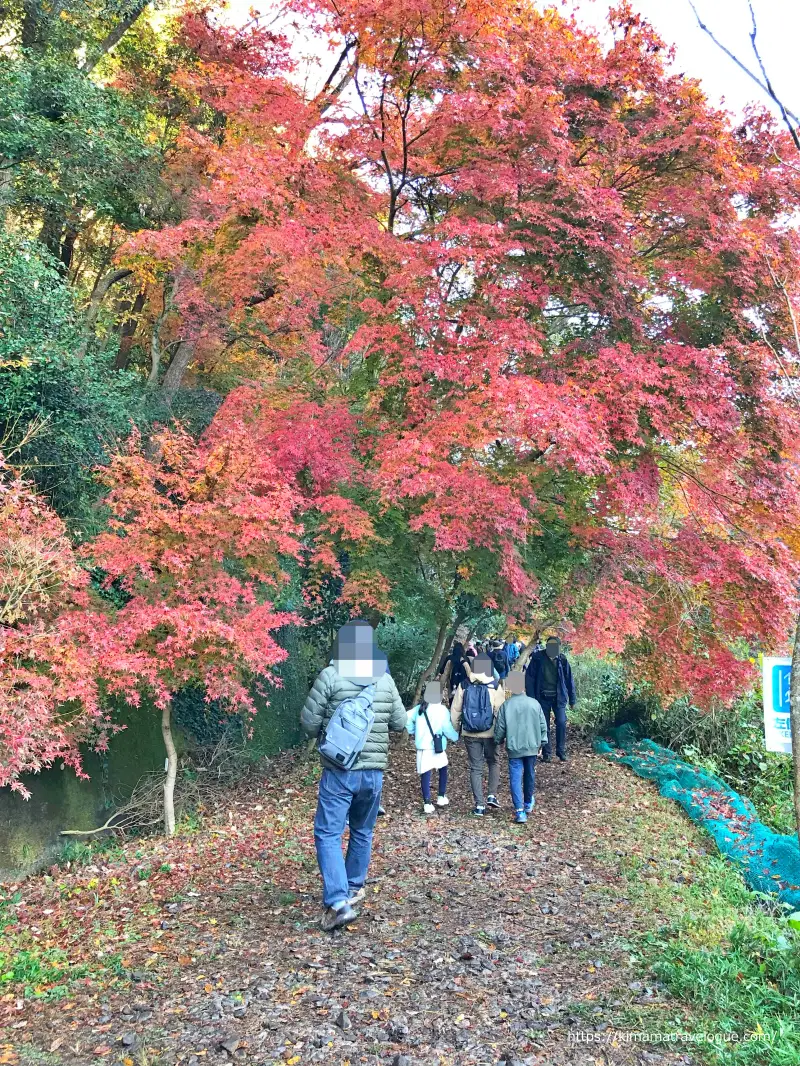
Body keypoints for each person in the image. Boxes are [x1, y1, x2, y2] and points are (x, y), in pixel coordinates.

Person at [301, 620, 406, 931]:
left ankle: (337, 900)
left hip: (339, 771)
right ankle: (352, 888)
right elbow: (400, 723)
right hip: (373, 774)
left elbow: (308, 723)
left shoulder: (331, 676)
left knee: (328, 833)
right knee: (362, 830)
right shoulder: (385, 681)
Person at [450, 653, 506, 816]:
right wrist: (501, 733)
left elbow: (455, 710)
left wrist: (455, 730)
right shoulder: (495, 685)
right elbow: (499, 711)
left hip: (470, 731)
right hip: (490, 732)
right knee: (493, 762)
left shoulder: (464, 685)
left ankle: (479, 805)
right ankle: (491, 795)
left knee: (476, 767)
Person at [494, 672, 548, 823]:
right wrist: (542, 743)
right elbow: (543, 726)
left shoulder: (506, 706)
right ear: (523, 686)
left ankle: (519, 811)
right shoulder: (534, 704)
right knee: (530, 774)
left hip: (514, 747)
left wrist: (498, 740)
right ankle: (528, 803)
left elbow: (500, 727)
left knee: (515, 778)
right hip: (532, 746)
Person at [407, 681, 459, 813]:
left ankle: (427, 802)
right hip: (437, 746)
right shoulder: (442, 710)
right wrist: (456, 737)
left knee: (426, 773)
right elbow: (447, 729)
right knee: (443, 769)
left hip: (423, 746)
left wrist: (413, 730)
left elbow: (406, 718)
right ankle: (441, 796)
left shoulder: (420, 708)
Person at [524, 635, 576, 762]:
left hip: (559, 697)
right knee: (544, 725)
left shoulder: (562, 660)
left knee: (562, 722)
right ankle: (547, 754)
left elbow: (569, 680)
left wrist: (572, 699)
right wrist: (531, 698)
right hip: (542, 697)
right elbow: (529, 679)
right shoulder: (537, 658)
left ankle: (561, 751)